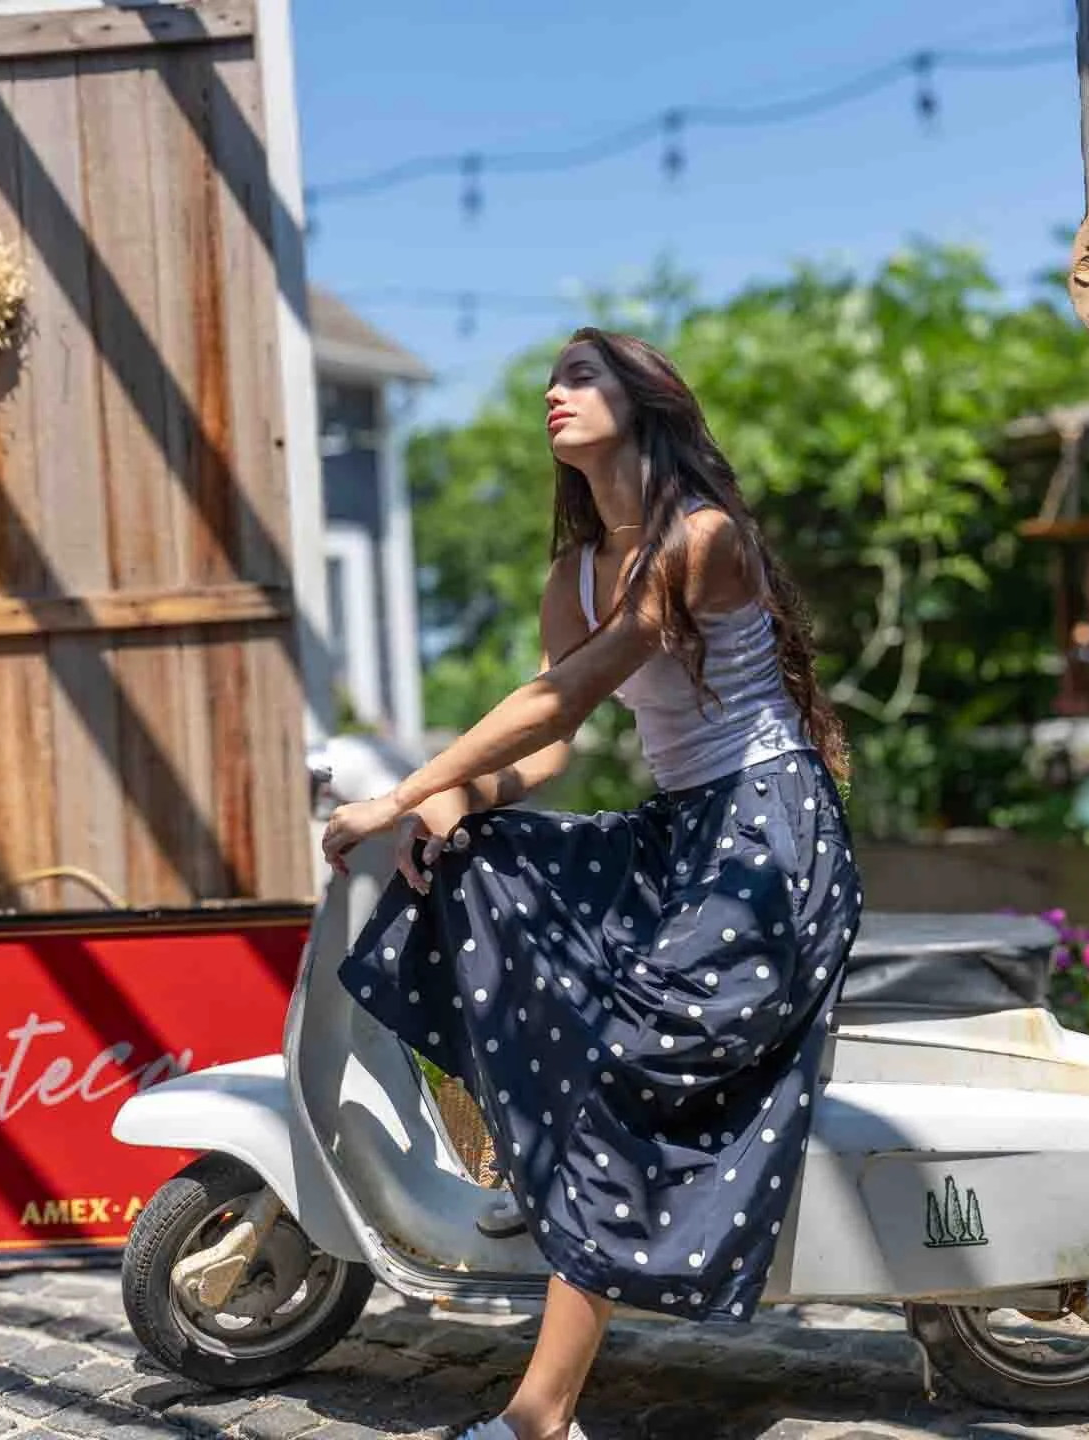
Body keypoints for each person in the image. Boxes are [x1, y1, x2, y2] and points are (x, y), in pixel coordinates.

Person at [321, 328, 863, 1440]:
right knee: (472, 867)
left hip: (769, 843)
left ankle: (539, 1418)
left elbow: (565, 699)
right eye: (550, 382)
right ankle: (546, 1161)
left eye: (581, 374)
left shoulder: (702, 538)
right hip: (680, 833)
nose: (554, 395)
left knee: (632, 1060)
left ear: (646, 398)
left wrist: (399, 791)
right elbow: (553, 752)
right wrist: (456, 803)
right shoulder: (571, 573)